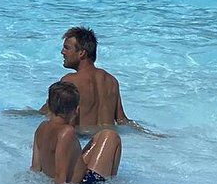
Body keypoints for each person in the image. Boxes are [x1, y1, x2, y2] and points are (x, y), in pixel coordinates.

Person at [51, 26, 148, 156]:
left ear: (82, 53)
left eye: (67, 48)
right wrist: (149, 134)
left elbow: (55, 117)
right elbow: (122, 121)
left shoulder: (69, 81)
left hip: (83, 144)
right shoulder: (111, 81)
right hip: (108, 145)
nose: (62, 52)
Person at [32, 82, 119, 184]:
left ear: (48, 105)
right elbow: (60, 175)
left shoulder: (41, 128)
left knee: (99, 137)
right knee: (111, 136)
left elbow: (35, 168)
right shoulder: (66, 132)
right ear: (76, 110)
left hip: (62, 181)